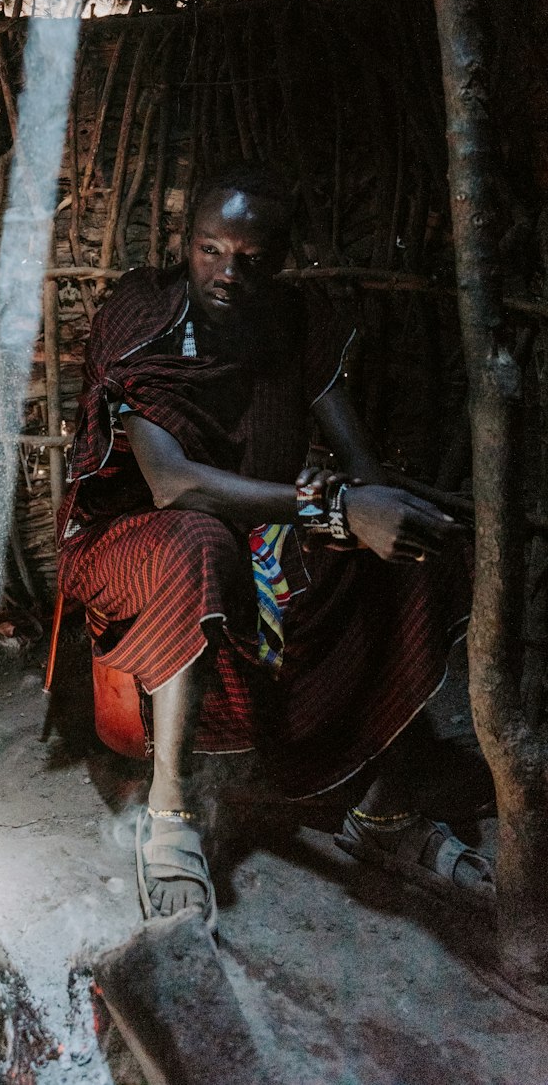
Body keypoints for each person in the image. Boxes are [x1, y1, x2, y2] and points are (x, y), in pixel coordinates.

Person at [56, 165, 493, 929]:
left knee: (414, 547)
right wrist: (334, 506)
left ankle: (381, 811)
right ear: (183, 245)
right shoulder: (145, 321)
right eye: (209, 250)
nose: (228, 272)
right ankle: (170, 813)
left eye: (251, 258)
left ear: (282, 258)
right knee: (196, 544)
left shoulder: (295, 323)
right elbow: (170, 485)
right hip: (133, 540)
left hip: (259, 524)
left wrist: (377, 512)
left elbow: (358, 459)